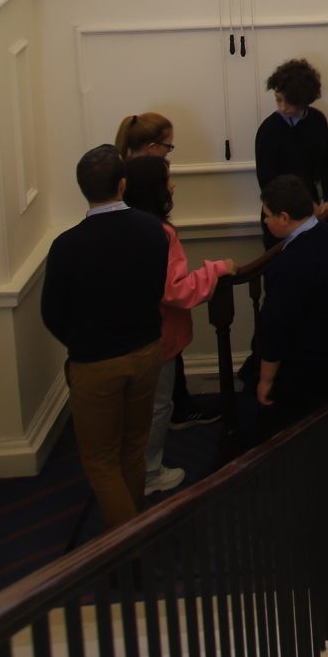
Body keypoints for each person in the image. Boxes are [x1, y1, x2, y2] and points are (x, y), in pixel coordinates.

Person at [38, 144, 168, 529]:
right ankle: (134, 530)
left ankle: (130, 545)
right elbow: (155, 289)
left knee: (99, 460)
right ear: (123, 183)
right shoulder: (152, 231)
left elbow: (52, 313)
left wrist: (82, 341)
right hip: (146, 352)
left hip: (94, 363)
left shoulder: (66, 246)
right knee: (132, 449)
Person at [121, 155, 229, 498]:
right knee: (157, 407)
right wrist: (216, 270)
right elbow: (176, 290)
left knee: (137, 406)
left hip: (127, 332)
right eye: (168, 179)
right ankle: (148, 473)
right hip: (157, 334)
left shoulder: (124, 223)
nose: (173, 184)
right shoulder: (159, 232)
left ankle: (132, 468)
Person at [251, 173, 328, 432]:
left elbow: (277, 326)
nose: (264, 220)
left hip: (300, 365)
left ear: (284, 217)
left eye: (266, 215)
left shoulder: (287, 267)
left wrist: (265, 379)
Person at [254, 59, 328, 214]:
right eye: (279, 99)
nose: (282, 107)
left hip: (313, 208)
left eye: (290, 102)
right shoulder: (268, 130)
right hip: (279, 215)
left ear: (304, 100)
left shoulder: (318, 120)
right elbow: (267, 182)